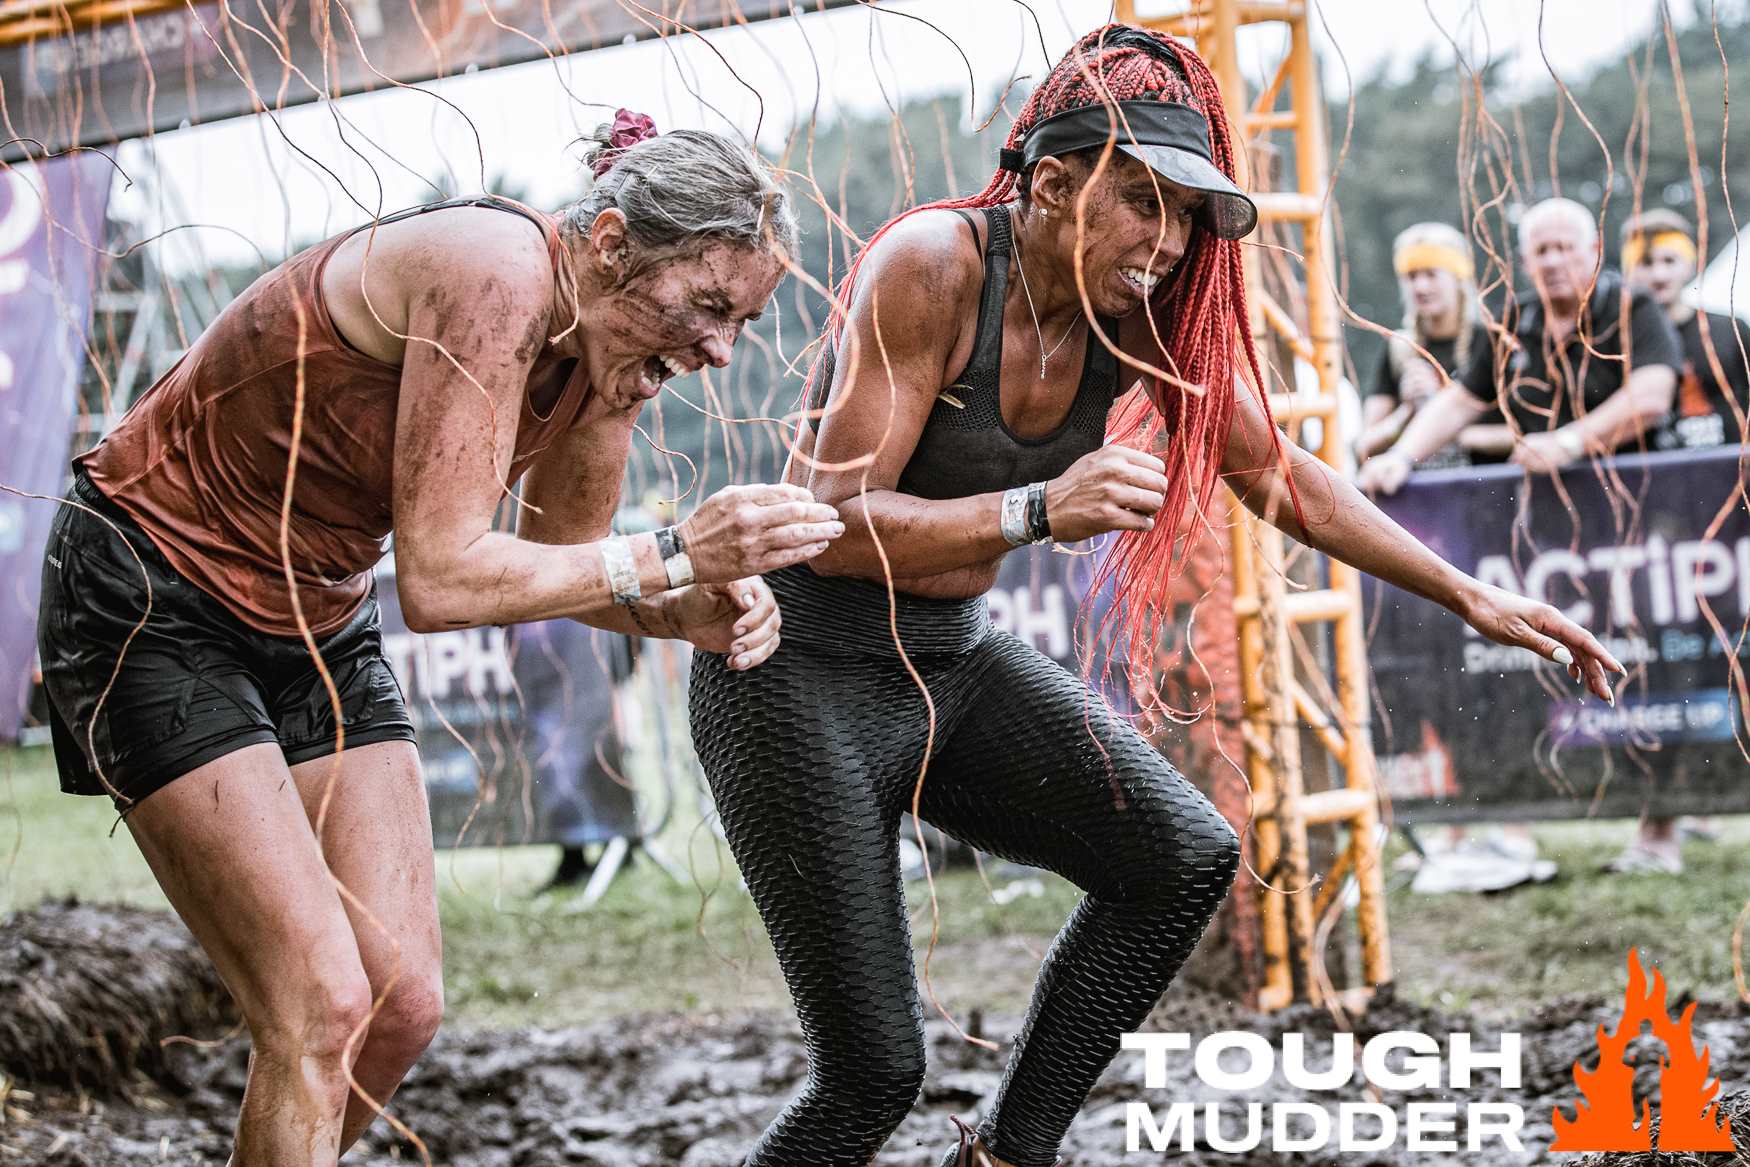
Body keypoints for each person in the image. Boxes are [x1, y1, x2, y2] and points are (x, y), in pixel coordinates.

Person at [687, 27, 1623, 1167]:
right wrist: (1039, 509)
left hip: (945, 657)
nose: (1169, 243)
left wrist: (1468, 594)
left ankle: (1003, 1155)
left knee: (1179, 857)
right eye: (1143, 203)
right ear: (1049, 184)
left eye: (1185, 217)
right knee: (873, 1073)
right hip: (793, 670)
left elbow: (1278, 473)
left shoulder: (1136, 310)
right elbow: (830, 528)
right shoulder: (932, 264)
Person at [35, 120, 844, 1166]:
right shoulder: (496, 272)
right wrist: (677, 549)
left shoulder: (612, 358)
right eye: (709, 307)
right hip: (153, 586)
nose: (720, 351)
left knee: (400, 1005)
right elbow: (443, 582)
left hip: (313, 611)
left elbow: (565, 564)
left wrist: (682, 604)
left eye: (744, 322)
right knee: (320, 1006)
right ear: (609, 245)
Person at [1359, 196, 1682, 495]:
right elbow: (1461, 400)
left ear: (1594, 249)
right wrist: (1402, 456)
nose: (1553, 261)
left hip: (1635, 493)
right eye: (1541, 251)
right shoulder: (1513, 322)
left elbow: (1650, 397)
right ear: (1526, 261)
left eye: (1564, 247)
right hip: (1545, 503)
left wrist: (1569, 443)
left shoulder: (1632, 307)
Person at [1605, 207, 1749, 874]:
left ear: (1690, 261)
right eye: (1644, 262)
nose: (1658, 274)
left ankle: (1698, 806)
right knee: (1664, 678)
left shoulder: (1730, 332)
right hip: (1659, 545)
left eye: (1669, 260)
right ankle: (1657, 827)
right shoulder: (1620, 340)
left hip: (1735, 534)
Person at [1357, 222, 1505, 467]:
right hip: (1420, 488)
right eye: (1412, 276)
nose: (1420, 286)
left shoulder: (1492, 342)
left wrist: (1445, 425)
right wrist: (1406, 414)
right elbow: (1364, 447)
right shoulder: (1401, 349)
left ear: (1458, 278)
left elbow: (1527, 436)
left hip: (1489, 485)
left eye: (1431, 274)